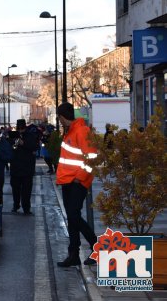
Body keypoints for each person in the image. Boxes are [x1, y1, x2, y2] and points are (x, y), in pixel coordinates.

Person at [56, 102, 97, 267]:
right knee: (72, 219)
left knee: (73, 216)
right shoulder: (70, 132)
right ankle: (73, 255)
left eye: (59, 118)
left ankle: (98, 247)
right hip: (68, 181)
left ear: (62, 117)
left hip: (77, 182)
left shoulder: (81, 131)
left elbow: (91, 158)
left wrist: (79, 178)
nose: (59, 121)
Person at [9, 119, 39, 215]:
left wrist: (24, 143)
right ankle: (16, 205)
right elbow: (10, 147)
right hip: (15, 167)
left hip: (27, 167)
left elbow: (34, 146)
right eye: (19, 129)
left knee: (26, 190)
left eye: (22, 129)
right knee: (15, 189)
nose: (21, 130)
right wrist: (13, 142)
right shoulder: (13, 136)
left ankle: (26, 208)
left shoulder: (30, 135)